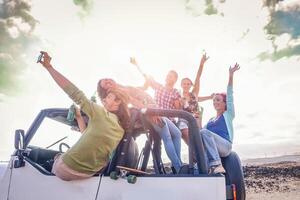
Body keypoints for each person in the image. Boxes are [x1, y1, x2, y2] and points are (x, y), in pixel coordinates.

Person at [38, 51, 130, 181]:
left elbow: (75, 93)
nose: (104, 100)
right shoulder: (120, 130)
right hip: (87, 174)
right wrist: (80, 118)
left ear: (118, 102)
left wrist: (49, 67)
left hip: (64, 169)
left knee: (52, 159)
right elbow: (89, 135)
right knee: (59, 157)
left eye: (108, 97)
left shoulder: (101, 114)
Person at [97, 78, 183, 172]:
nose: (109, 82)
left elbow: (140, 91)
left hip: (154, 108)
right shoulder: (114, 94)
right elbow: (132, 101)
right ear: (104, 89)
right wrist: (150, 111)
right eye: (106, 83)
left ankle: (178, 165)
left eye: (109, 80)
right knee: (167, 136)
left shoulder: (123, 87)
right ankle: (178, 167)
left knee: (177, 133)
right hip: (147, 113)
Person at [200, 63, 240, 174]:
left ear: (224, 103)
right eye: (214, 100)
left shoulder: (228, 115)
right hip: (213, 148)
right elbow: (200, 132)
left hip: (225, 146)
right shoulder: (210, 120)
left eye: (218, 100)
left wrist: (230, 75)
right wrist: (200, 116)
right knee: (201, 134)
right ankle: (201, 168)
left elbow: (230, 95)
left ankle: (217, 164)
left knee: (204, 132)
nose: (215, 102)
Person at [178, 53, 214, 144]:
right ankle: (194, 151)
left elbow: (198, 77)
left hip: (196, 119)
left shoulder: (194, 93)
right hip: (184, 120)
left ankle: (200, 153)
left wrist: (201, 64)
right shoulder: (178, 96)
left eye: (188, 83)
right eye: (184, 83)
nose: (186, 85)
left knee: (199, 139)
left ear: (191, 85)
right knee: (188, 139)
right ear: (181, 85)